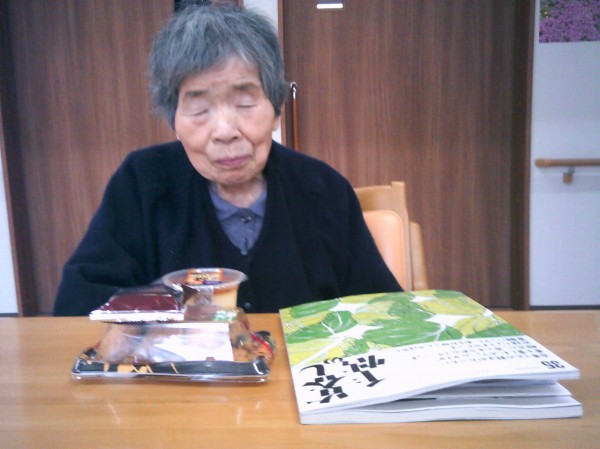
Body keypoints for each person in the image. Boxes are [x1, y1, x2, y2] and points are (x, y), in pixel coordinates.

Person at [53, 1, 401, 316]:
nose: (224, 131)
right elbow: (78, 306)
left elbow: (383, 313)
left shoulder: (324, 189)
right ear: (174, 122)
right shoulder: (141, 183)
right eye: (199, 108)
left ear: (276, 110)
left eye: (245, 102)